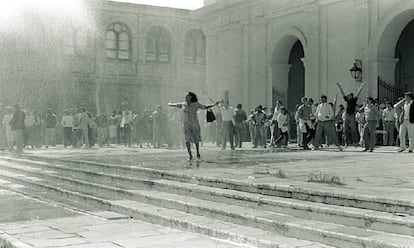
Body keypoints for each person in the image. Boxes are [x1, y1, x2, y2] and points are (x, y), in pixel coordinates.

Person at [168, 92, 218, 161]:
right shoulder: (183, 104)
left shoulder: (196, 104)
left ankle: (197, 152)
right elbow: (176, 105)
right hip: (186, 124)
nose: (186, 98)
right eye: (186, 97)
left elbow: (205, 107)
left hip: (194, 124)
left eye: (187, 96)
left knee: (196, 139)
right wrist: (170, 104)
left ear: (191, 97)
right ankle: (190, 155)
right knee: (187, 139)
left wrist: (214, 104)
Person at [336, 82, 365, 146]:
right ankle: (347, 142)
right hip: (347, 115)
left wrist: (361, 87)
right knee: (345, 129)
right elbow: (342, 93)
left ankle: (355, 142)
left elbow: (358, 93)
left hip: (352, 115)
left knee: (353, 129)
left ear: (351, 96)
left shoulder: (354, 100)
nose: (348, 96)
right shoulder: (347, 100)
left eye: (349, 95)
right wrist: (340, 87)